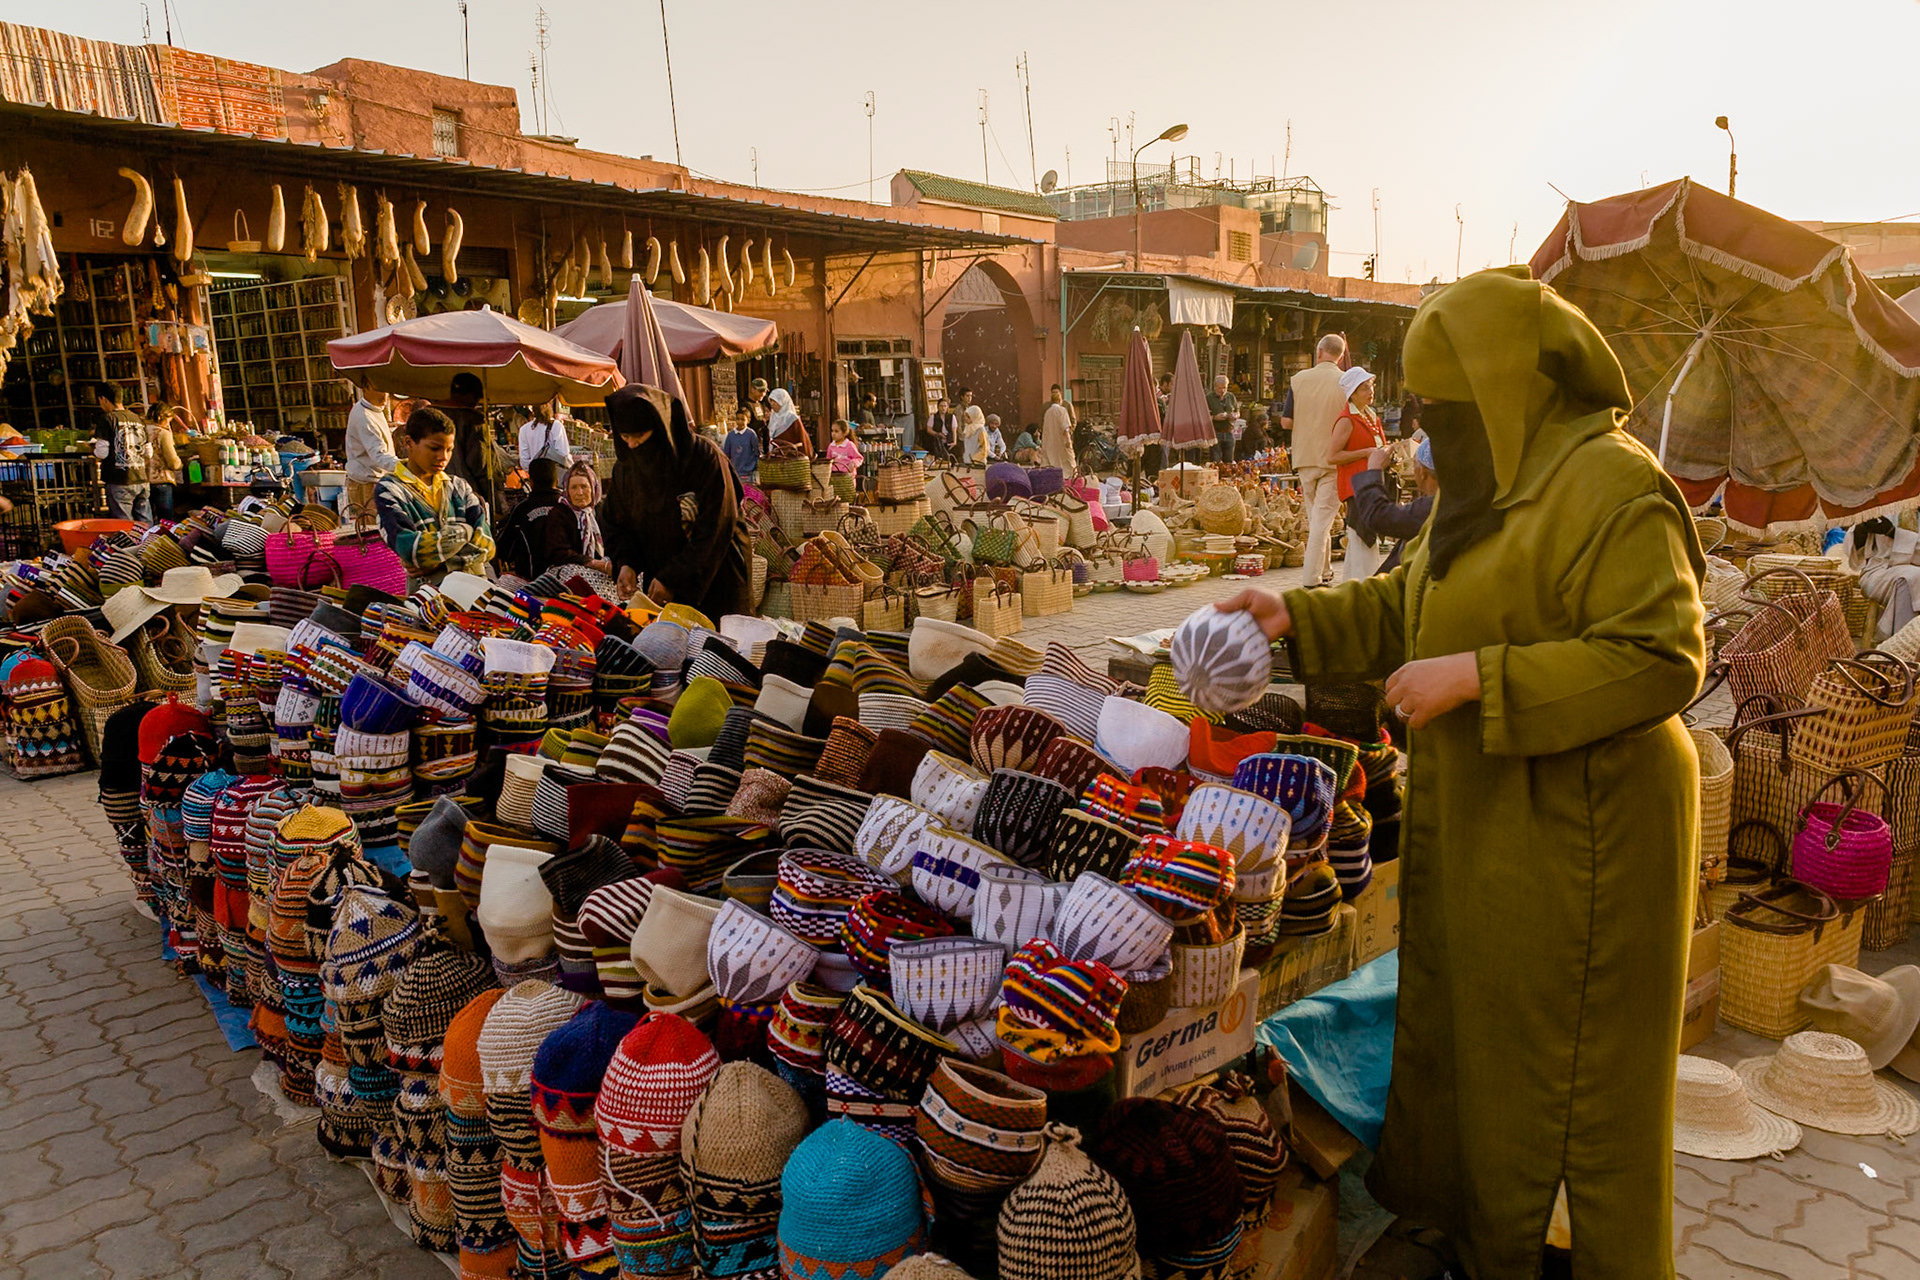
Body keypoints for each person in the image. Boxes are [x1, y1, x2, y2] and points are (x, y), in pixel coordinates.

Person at [1222, 268, 1704, 1280]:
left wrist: (1482, 680)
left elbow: (1663, 656)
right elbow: (1409, 606)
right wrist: (1291, 615)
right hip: (1495, 819)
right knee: (1488, 1051)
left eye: (1443, 406)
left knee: (1578, 1086)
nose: (1428, 426)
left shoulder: (1613, 488)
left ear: (1502, 390)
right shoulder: (1490, 485)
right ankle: (1492, 1245)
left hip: (1592, 837)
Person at [602, 384, 754, 619]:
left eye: (639, 436)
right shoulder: (626, 470)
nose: (631, 445)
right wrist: (626, 562)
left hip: (716, 577)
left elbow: (716, 527)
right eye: (624, 437)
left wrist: (674, 577)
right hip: (662, 583)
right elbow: (618, 521)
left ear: (661, 428)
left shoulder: (704, 458)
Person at [374, 407, 495, 588]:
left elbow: (487, 545)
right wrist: (466, 531)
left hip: (475, 594)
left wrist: (439, 563)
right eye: (434, 448)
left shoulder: (459, 487)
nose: (443, 457)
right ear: (409, 443)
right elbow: (411, 550)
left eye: (449, 449)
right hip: (427, 600)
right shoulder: (390, 490)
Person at [1284, 333, 1351, 585]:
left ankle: (1324, 571)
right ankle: (1311, 578)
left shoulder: (1298, 380)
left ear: (1319, 352)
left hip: (1303, 457)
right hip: (1333, 460)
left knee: (1317, 519)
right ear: (1341, 356)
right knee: (1321, 523)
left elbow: (1286, 421)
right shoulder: (1346, 382)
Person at [1332, 366, 1390, 579]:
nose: (1370, 391)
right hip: (1356, 485)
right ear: (1353, 393)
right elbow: (1333, 456)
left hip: (1371, 483)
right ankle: (1363, 582)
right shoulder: (1347, 420)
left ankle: (1356, 581)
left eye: (1371, 386)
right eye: (1364, 388)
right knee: (1360, 536)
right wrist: (1366, 453)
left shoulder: (1371, 416)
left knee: (1365, 538)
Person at [1347, 440, 1437, 574]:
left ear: (1422, 472)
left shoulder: (1435, 506)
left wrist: (1374, 469)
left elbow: (1379, 516)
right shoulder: (1447, 501)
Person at [438, 371, 504, 516]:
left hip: (433, 495)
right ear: (469, 395)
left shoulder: (430, 416)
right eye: (476, 397)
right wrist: (495, 505)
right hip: (468, 498)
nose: (477, 402)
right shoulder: (473, 421)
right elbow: (482, 465)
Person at [1844, 516, 1920, 640]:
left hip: (1913, 567)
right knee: (1910, 579)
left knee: (1913, 577)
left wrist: (1893, 533)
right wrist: (1861, 527)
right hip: (1877, 570)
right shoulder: (1884, 503)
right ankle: (1902, 644)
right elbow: (1854, 551)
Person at [495, 457, 564, 579]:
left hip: (530, 583)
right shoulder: (568, 507)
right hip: (567, 584)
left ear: (531, 482)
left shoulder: (522, 509)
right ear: (557, 481)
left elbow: (504, 550)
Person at [91, 383, 151, 522]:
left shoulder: (107, 419)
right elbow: (149, 452)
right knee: (145, 525)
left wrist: (92, 448)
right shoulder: (138, 419)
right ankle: (150, 543)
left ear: (103, 399)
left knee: (125, 527)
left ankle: (131, 545)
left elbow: (102, 453)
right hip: (141, 479)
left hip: (119, 480)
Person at [544, 460, 612, 576]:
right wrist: (593, 563)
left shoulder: (603, 510)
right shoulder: (559, 514)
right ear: (567, 491)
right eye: (574, 488)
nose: (579, 493)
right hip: (570, 574)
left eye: (584, 486)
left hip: (604, 571)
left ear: (593, 488)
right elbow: (558, 552)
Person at [344, 386, 398, 520]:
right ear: (366, 388)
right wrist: (406, 467)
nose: (385, 395)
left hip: (377, 480)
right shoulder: (363, 416)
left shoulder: (375, 410)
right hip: (366, 485)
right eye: (380, 389)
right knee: (372, 532)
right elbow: (378, 455)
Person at [145, 404, 184, 521]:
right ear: (162, 417)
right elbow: (172, 461)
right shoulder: (163, 433)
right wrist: (180, 464)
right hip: (161, 479)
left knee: (147, 518)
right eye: (168, 421)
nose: (168, 424)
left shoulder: (140, 430)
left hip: (143, 480)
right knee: (165, 520)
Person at [517, 398, 574, 472]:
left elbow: (524, 461)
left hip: (535, 476)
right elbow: (563, 454)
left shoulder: (524, 429)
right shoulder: (556, 426)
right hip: (553, 475)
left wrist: (534, 471)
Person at [765, 387, 813, 458]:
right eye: (771, 401)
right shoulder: (772, 417)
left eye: (775, 401)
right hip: (775, 457)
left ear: (782, 401)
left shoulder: (792, 418)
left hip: (790, 457)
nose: (772, 404)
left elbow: (801, 437)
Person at [1041, 384, 1077, 474]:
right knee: (1067, 463)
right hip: (1061, 439)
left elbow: (1073, 421)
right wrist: (1068, 440)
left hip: (1051, 440)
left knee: (1053, 461)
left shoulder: (1048, 412)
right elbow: (1066, 427)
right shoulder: (1062, 410)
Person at [721, 405, 762, 482]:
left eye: (743, 419)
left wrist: (753, 466)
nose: (740, 422)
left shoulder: (751, 434)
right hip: (735, 471)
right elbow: (726, 454)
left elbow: (756, 452)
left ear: (748, 420)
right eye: (738, 419)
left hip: (748, 473)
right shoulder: (731, 435)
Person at [1208, 374, 1239, 464]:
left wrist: (1234, 416)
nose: (1222, 391)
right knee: (1215, 460)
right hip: (1216, 432)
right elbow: (1204, 416)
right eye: (1219, 388)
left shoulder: (1231, 396)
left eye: (1224, 388)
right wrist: (1215, 417)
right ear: (1215, 387)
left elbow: (1237, 411)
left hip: (1229, 431)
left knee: (1229, 460)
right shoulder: (1209, 398)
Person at [925, 397, 960, 461]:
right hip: (937, 440)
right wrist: (937, 433)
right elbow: (929, 429)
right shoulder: (933, 417)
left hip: (949, 439)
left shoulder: (952, 417)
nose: (943, 408)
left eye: (945, 406)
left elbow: (954, 430)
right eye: (941, 406)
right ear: (938, 407)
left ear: (947, 407)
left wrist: (954, 442)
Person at [745, 377, 772, 446]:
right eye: (760, 391)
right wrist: (763, 421)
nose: (763, 394)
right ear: (753, 389)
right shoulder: (747, 405)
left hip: (762, 443)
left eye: (765, 391)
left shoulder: (760, 404)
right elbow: (746, 425)